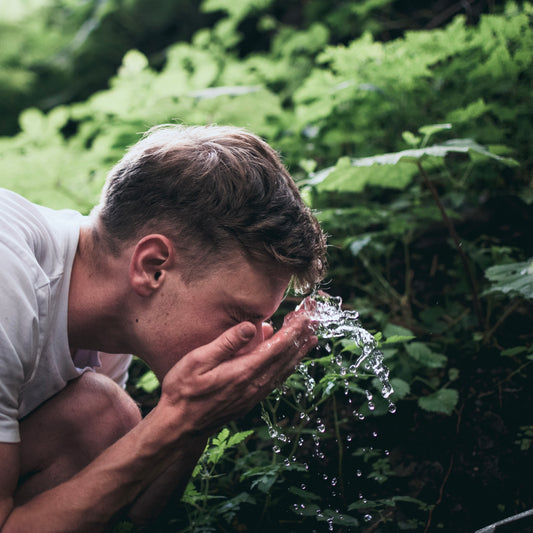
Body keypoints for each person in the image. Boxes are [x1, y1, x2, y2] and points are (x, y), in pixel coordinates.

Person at [0, 124, 327, 531]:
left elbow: (134, 510)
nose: (250, 342)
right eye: (240, 318)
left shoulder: (116, 316)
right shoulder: (7, 278)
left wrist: (197, 421)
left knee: (101, 418)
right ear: (153, 267)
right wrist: (179, 414)